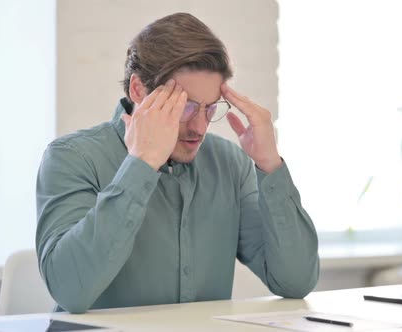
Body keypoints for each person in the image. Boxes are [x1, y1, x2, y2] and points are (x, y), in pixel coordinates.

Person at [35, 12, 318, 314]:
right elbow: (70, 290)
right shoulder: (71, 157)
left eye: (210, 109)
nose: (199, 127)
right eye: (185, 106)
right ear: (137, 90)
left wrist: (270, 165)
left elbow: (295, 282)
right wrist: (141, 164)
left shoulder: (230, 164)